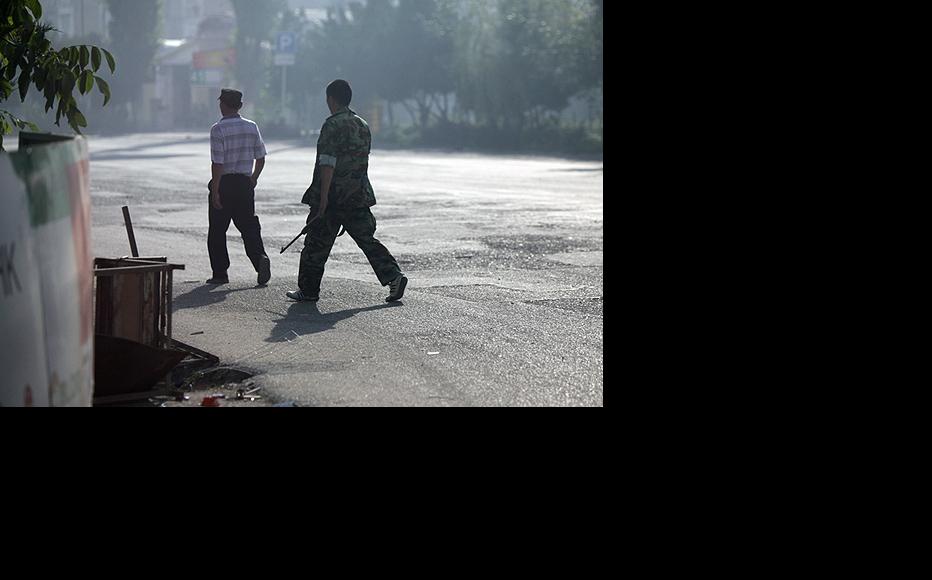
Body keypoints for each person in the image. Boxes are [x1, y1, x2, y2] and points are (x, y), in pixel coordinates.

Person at [286, 79, 407, 303]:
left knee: (315, 245)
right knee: (367, 240)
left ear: (331, 99)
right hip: (357, 195)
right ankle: (394, 276)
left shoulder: (332, 125)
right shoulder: (362, 125)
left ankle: (309, 291)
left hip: (333, 197)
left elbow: (328, 163)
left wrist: (322, 200)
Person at [206, 88, 271, 286]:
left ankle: (220, 274)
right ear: (240, 106)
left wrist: (216, 190)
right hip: (244, 184)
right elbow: (261, 157)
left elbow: (218, 163)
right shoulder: (252, 127)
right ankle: (260, 259)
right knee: (249, 227)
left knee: (217, 230)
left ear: (221, 105)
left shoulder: (218, 129)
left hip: (224, 183)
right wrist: (253, 178)